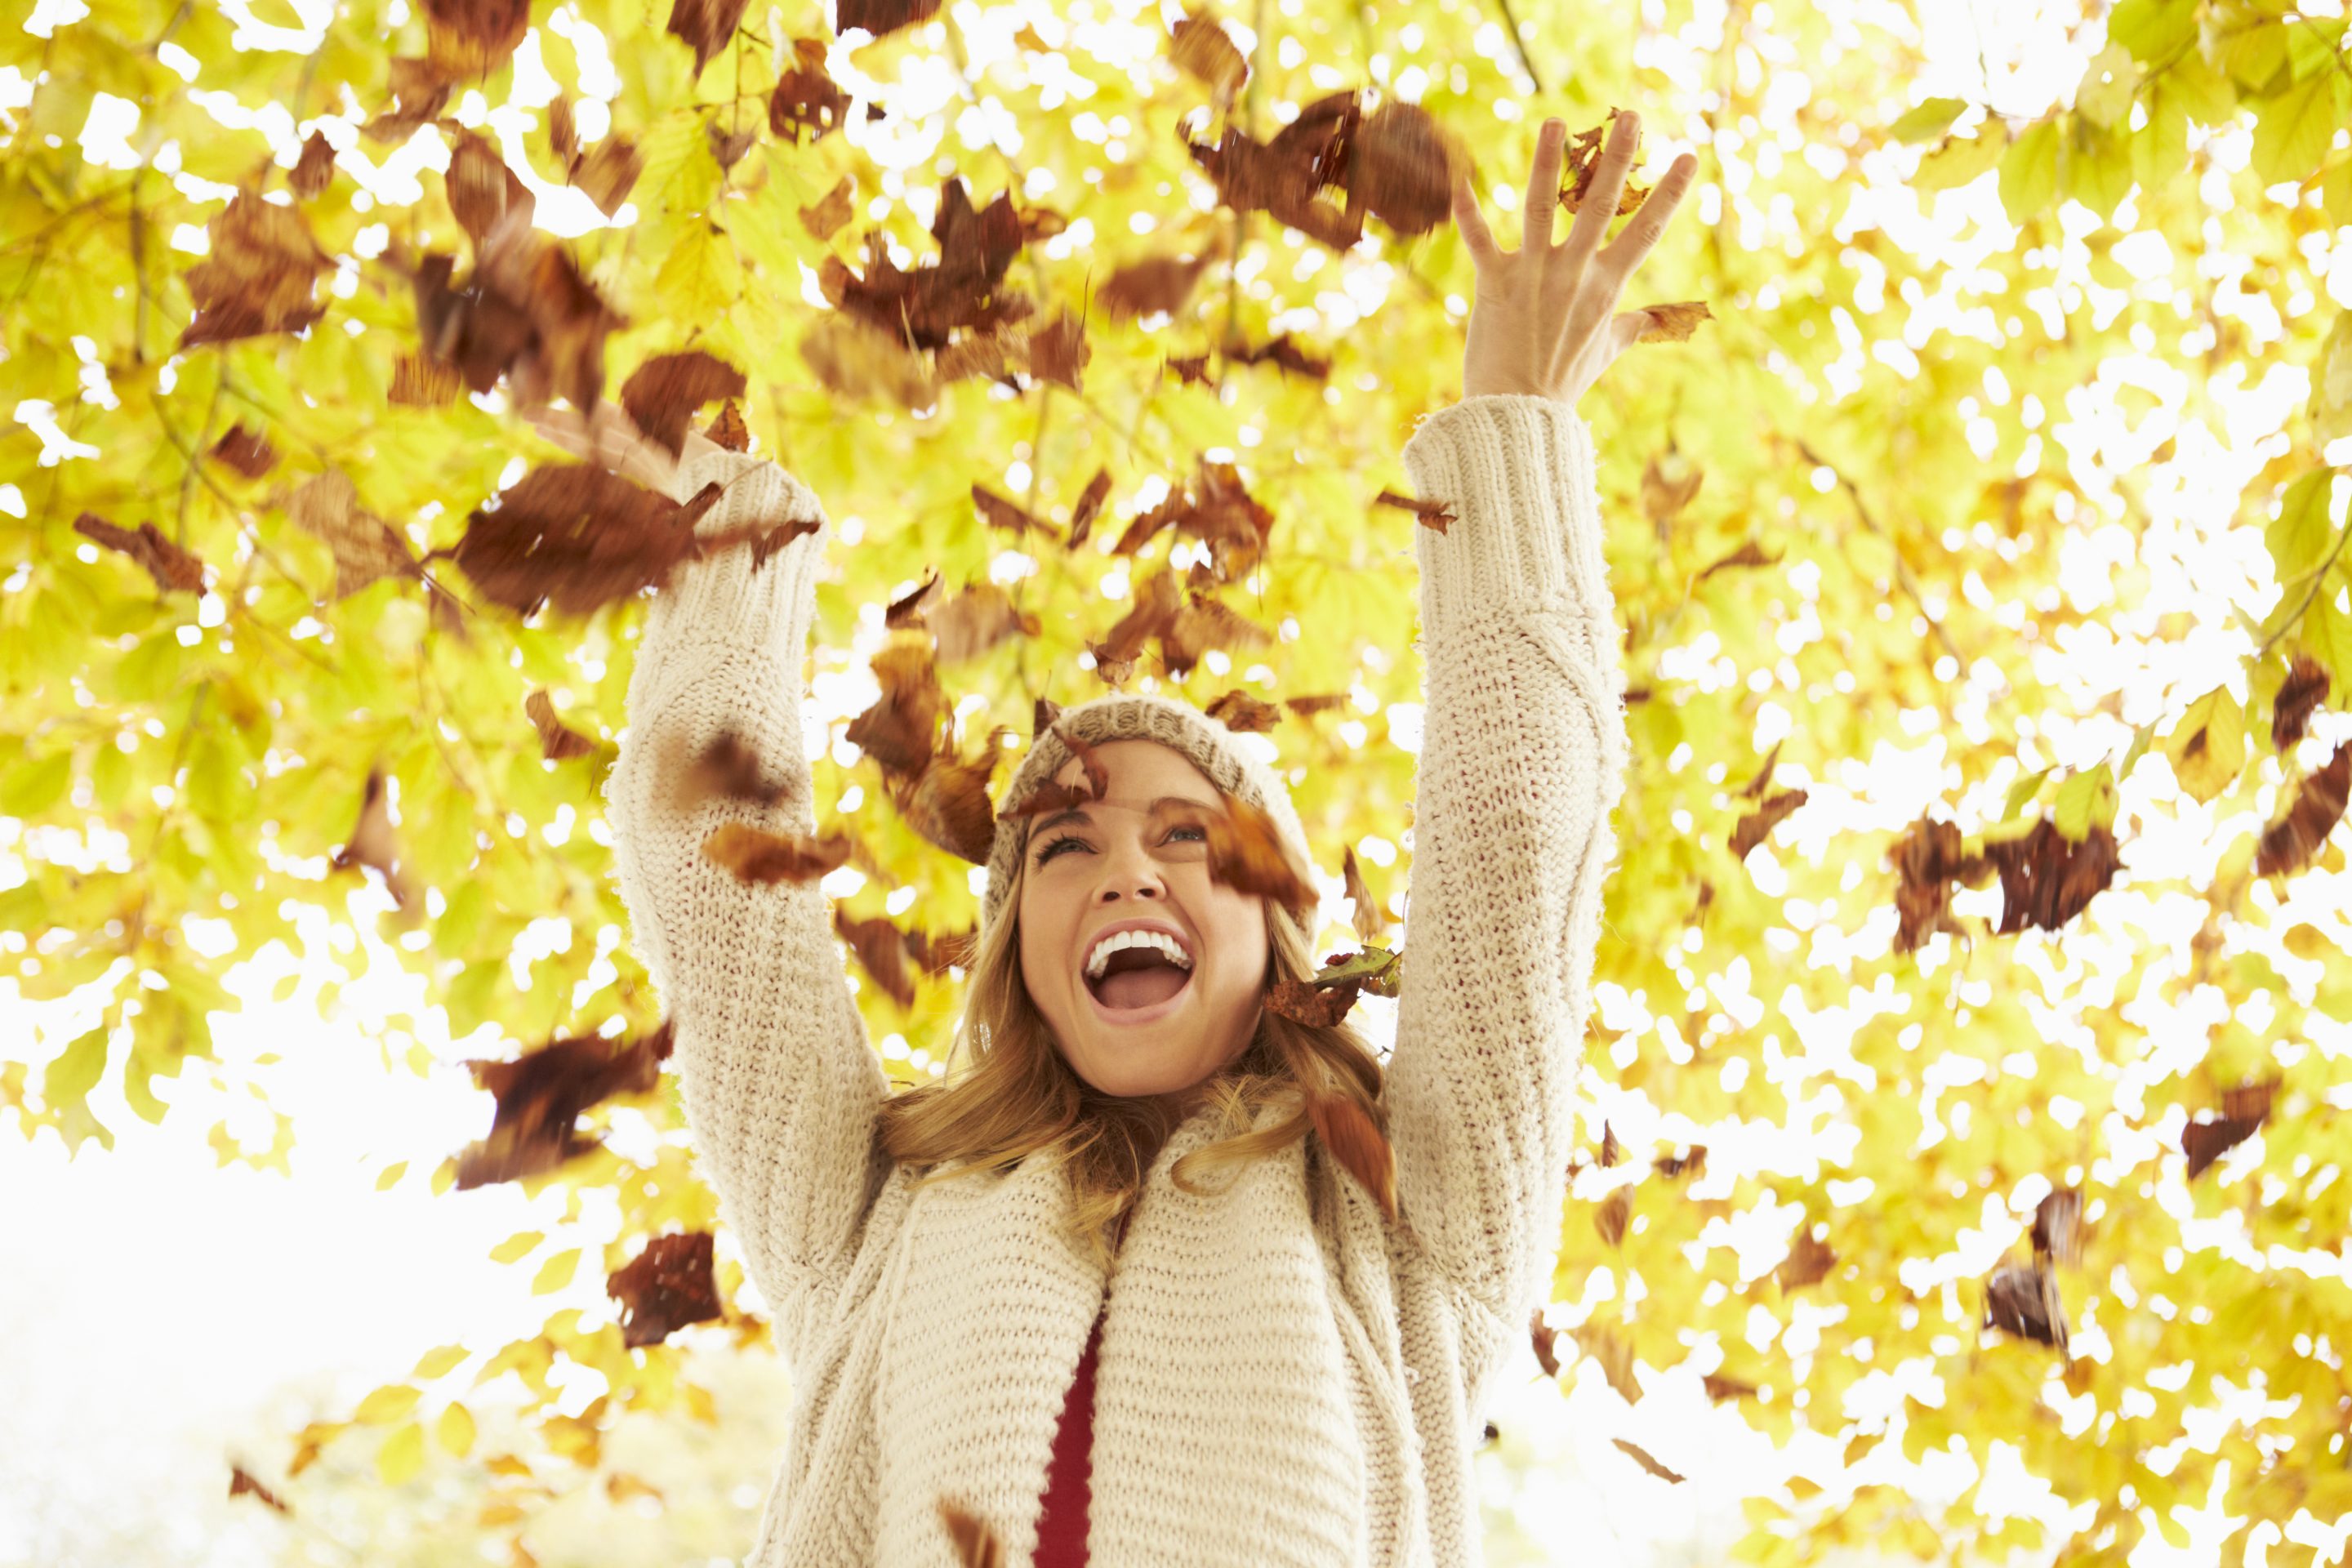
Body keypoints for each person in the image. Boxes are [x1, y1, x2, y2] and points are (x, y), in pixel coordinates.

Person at [584, 107, 1693, 1568]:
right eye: (1063, 846)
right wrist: (721, 537)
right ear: (1023, 955)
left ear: (1274, 933)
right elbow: (711, 867)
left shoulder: (1409, 1214)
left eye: (1191, 838)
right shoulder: (880, 1209)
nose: (1128, 869)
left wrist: (1516, 419)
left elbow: (1518, 817)